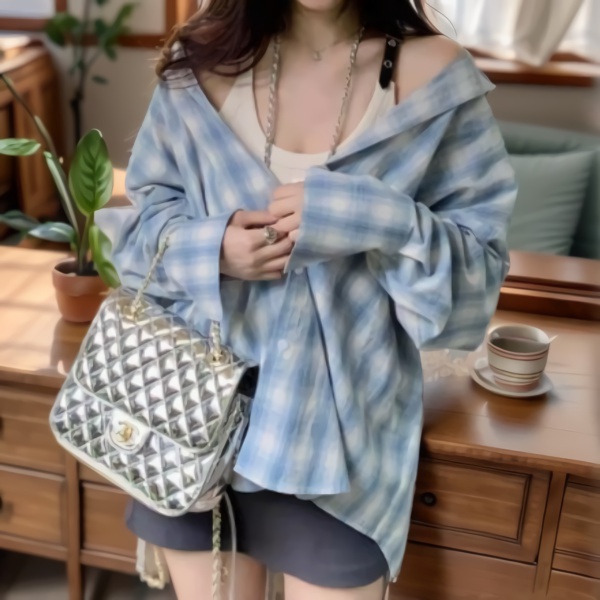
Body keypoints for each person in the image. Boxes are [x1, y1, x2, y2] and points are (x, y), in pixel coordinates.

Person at [98, 1, 517, 598]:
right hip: (189, 419)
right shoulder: (200, 63)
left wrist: (377, 218)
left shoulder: (436, 77)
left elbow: (476, 286)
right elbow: (137, 239)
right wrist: (213, 249)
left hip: (338, 446)